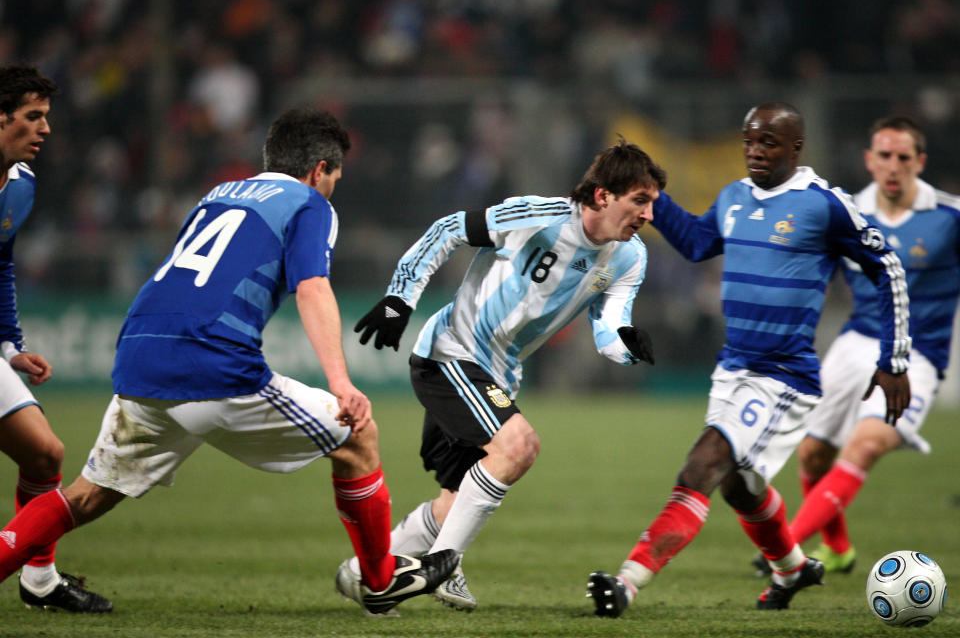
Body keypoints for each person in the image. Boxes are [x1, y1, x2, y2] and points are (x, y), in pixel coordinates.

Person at [0, 106, 457, 616]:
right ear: (319, 170)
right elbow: (312, 286)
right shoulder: (310, 203)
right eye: (335, 178)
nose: (332, 190)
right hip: (211, 362)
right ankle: (380, 580)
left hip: (138, 354)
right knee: (356, 437)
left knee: (85, 496)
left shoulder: (217, 195)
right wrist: (340, 381)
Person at [586, 102, 912, 617]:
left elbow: (887, 266)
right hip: (733, 369)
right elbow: (697, 243)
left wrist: (893, 360)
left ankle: (626, 583)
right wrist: (652, 196)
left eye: (768, 143)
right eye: (749, 142)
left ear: (796, 148)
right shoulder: (734, 197)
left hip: (783, 376)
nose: (755, 152)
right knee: (740, 486)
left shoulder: (824, 204)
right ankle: (793, 569)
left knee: (705, 464)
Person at [338, 139, 664, 612]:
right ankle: (441, 567)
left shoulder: (630, 258)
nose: (649, 215)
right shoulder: (538, 215)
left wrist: (628, 345)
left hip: (499, 376)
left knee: (454, 503)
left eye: (652, 203)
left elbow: (609, 330)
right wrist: (399, 297)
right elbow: (447, 230)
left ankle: (367, 576)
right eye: (641, 200)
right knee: (519, 446)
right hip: (451, 355)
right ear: (602, 196)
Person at [764, 116, 960, 574]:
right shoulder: (847, 212)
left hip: (918, 356)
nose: (893, 166)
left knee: (866, 445)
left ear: (920, 162)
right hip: (856, 343)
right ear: (869, 160)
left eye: (904, 157)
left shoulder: (950, 217)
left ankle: (783, 553)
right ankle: (839, 550)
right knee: (813, 453)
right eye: (884, 156)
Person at [0, 63, 114, 612]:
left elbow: (1, 268)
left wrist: (8, 347)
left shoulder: (20, 187)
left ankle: (38, 579)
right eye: (33, 117)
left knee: (46, 454)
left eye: (46, 116)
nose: (45, 129)